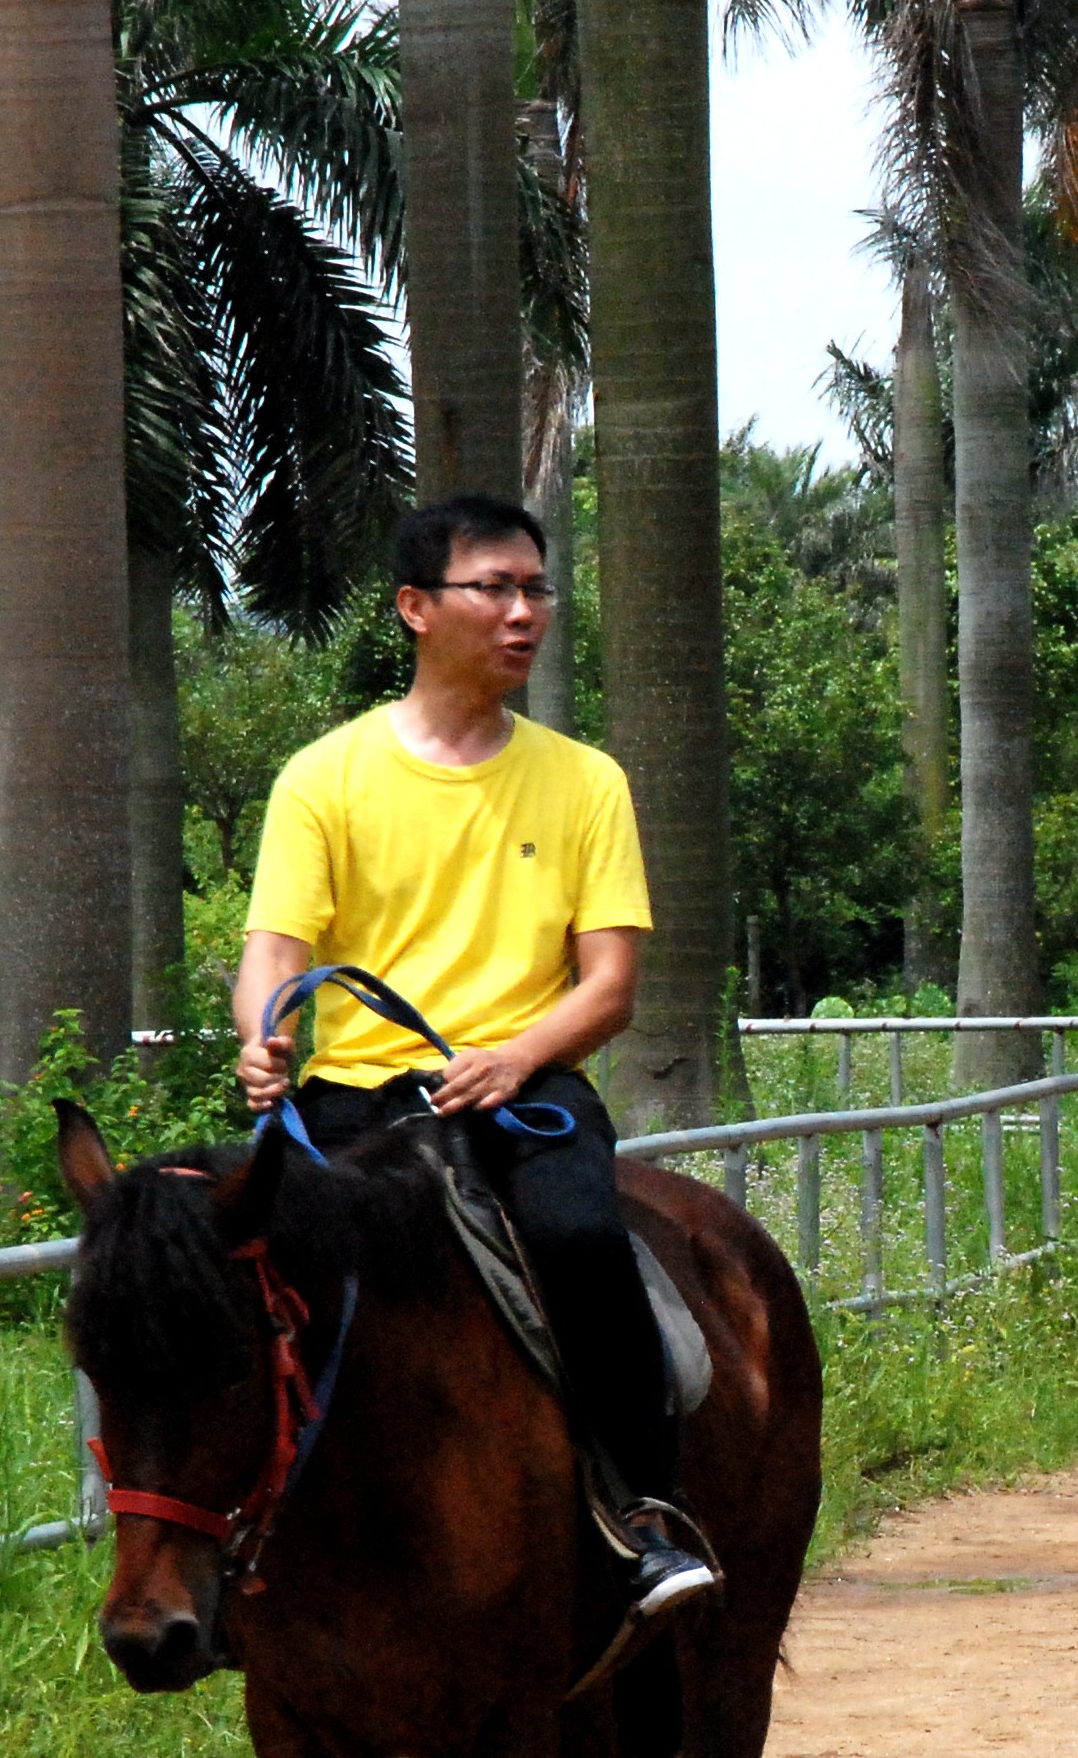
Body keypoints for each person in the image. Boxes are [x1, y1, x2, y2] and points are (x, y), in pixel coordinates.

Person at [230, 491, 718, 1649]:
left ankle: (640, 1512)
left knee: (583, 1238)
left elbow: (608, 985)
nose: (522, 613)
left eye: (535, 589)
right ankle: (221, 1539)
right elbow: (272, 955)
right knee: (223, 1271)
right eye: (491, 588)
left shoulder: (584, 780)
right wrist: (263, 1038)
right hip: (353, 1100)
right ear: (414, 608)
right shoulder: (323, 777)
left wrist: (515, 1056)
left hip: (525, 1085)